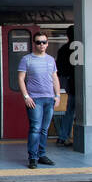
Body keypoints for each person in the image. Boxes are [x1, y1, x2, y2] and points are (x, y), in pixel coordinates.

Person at [18, 32, 61, 169]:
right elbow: (20, 79)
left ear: (47, 44)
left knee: (44, 129)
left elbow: (55, 78)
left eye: (44, 42)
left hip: (49, 99)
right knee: (35, 128)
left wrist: (58, 95)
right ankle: (33, 157)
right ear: (34, 43)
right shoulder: (26, 59)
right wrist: (26, 96)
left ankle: (41, 155)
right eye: (38, 42)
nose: (41, 44)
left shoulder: (51, 60)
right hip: (34, 99)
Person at [55, 26, 77, 146]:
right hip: (78, 84)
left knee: (70, 110)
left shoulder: (63, 49)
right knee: (77, 111)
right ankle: (70, 136)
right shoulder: (81, 47)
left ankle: (63, 136)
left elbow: (59, 69)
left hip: (69, 83)